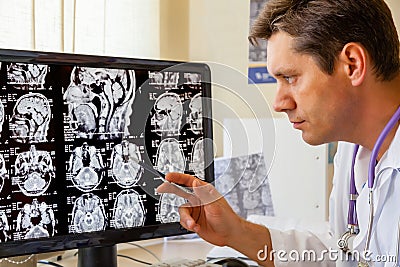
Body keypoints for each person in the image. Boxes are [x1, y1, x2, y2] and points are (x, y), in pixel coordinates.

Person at [156, 0, 400, 266]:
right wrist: (236, 233)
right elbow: (343, 252)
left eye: (290, 78)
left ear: (352, 65)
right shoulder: (353, 150)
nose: (279, 102)